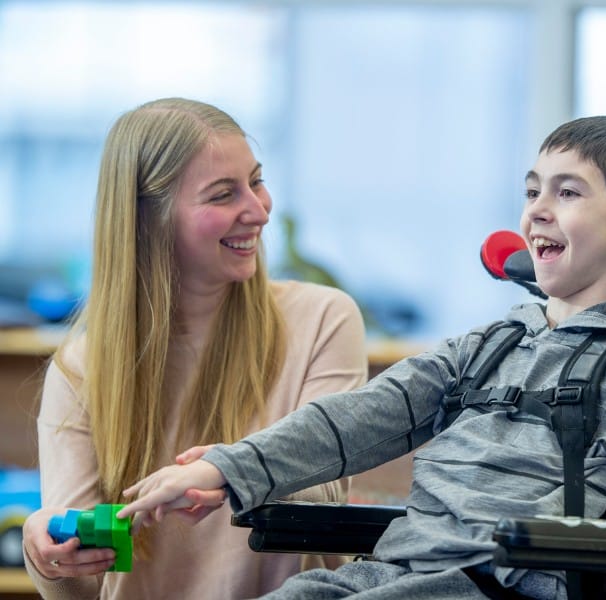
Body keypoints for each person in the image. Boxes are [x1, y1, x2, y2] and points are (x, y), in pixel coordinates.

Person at [118, 115, 606, 599]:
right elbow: (360, 417)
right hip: (398, 574)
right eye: (532, 191)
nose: (537, 211)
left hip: (500, 586)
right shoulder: (493, 343)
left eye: (568, 192)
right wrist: (225, 468)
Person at [21, 98, 369, 599]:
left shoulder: (323, 320)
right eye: (224, 194)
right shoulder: (80, 371)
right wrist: (49, 556)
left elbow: (324, 494)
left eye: (257, 181)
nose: (259, 210)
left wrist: (230, 474)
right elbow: (84, 580)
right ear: (149, 219)